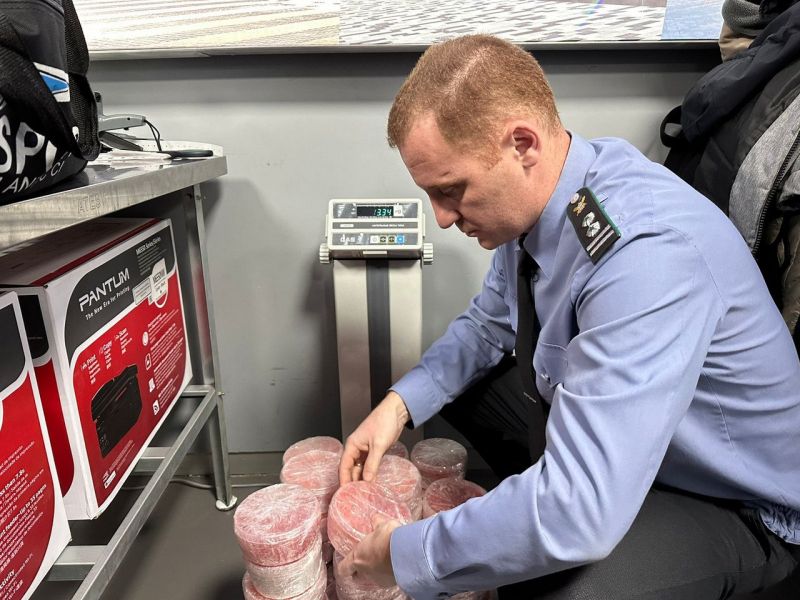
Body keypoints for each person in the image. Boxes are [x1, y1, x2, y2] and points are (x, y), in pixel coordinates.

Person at [337, 34, 800, 599]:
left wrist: (406, 555)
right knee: (458, 384)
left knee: (556, 587)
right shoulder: (550, 197)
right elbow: (488, 324)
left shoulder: (647, 253)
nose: (441, 218)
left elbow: (579, 513)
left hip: (734, 498)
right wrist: (396, 407)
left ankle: (543, 516)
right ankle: (532, 507)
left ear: (522, 144)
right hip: (641, 438)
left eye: (451, 190)